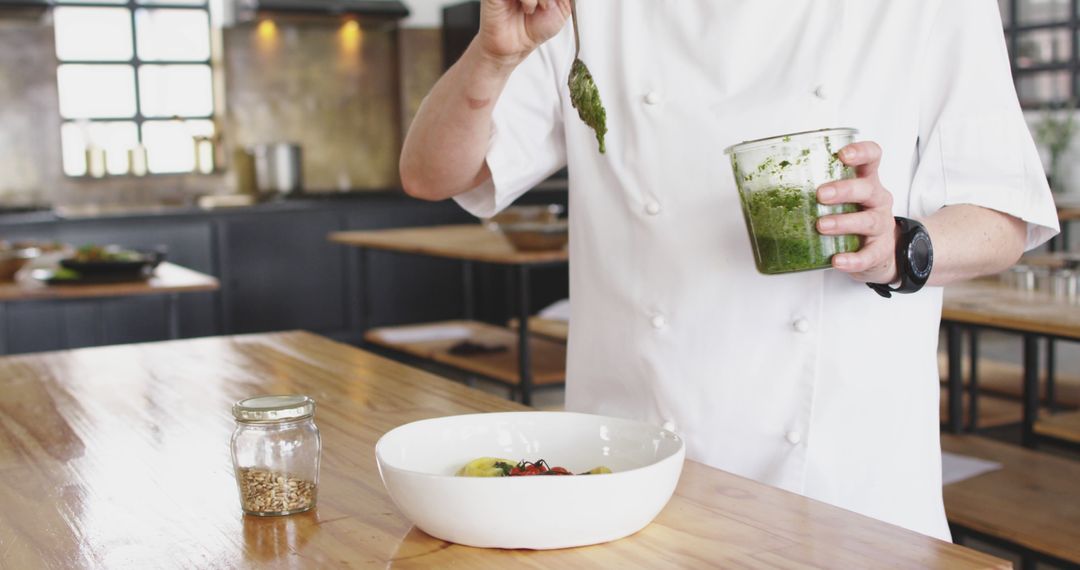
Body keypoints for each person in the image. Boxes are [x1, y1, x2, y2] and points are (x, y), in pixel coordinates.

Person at [399, 0, 1059, 540]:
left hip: (842, 485)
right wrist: (492, 58)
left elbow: (1003, 216)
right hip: (630, 482)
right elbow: (429, 174)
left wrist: (901, 245)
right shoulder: (590, 10)